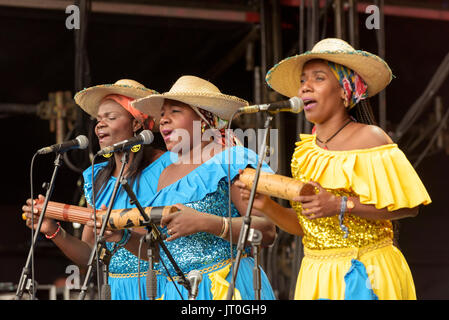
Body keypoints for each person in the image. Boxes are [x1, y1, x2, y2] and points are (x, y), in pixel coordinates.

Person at [236, 38, 432, 300]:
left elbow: (409, 206)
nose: (305, 86)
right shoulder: (304, 153)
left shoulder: (371, 138)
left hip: (366, 270)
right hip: (317, 274)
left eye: (318, 78)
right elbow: (308, 226)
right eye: (303, 80)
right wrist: (267, 207)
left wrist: (340, 205)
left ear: (344, 90)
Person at [22, 79, 175, 300]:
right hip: (118, 290)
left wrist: (123, 236)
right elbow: (90, 256)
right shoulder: (96, 176)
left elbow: (174, 243)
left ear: (136, 124)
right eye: (98, 119)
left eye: (110, 118)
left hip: (161, 285)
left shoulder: (167, 165)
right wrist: (52, 230)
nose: (99, 125)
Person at [129, 75, 277, 300]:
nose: (163, 121)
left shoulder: (231, 160)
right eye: (161, 115)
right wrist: (121, 237)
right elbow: (168, 251)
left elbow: (266, 231)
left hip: (228, 286)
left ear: (203, 118)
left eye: (175, 111)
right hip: (176, 291)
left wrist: (207, 223)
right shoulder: (164, 175)